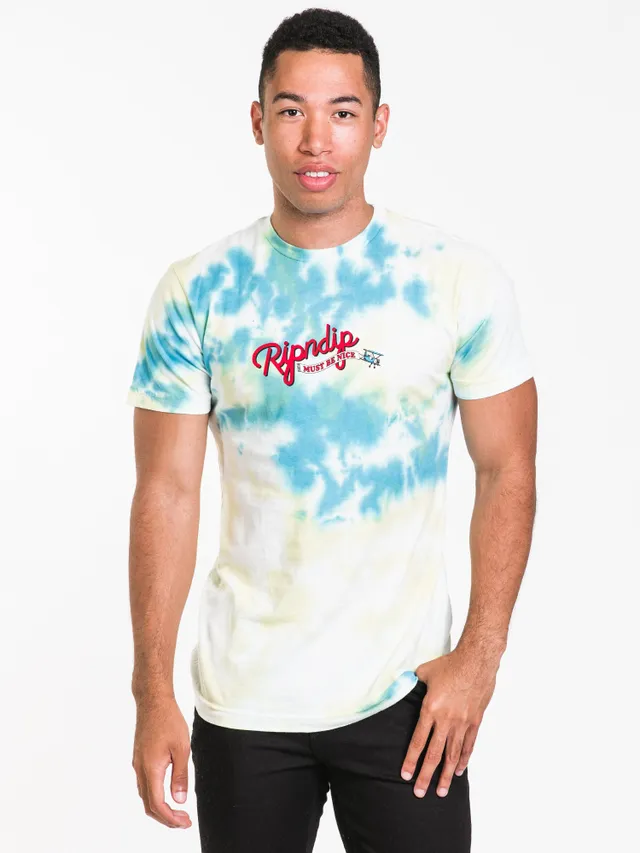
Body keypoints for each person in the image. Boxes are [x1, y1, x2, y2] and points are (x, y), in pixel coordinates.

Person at [126, 8, 537, 852]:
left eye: (342, 111)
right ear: (258, 121)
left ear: (378, 125)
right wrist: (152, 691)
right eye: (292, 110)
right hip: (245, 702)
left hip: (405, 701)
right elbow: (166, 490)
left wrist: (479, 656)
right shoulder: (199, 289)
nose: (316, 139)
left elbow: (509, 469)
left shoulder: (454, 280)